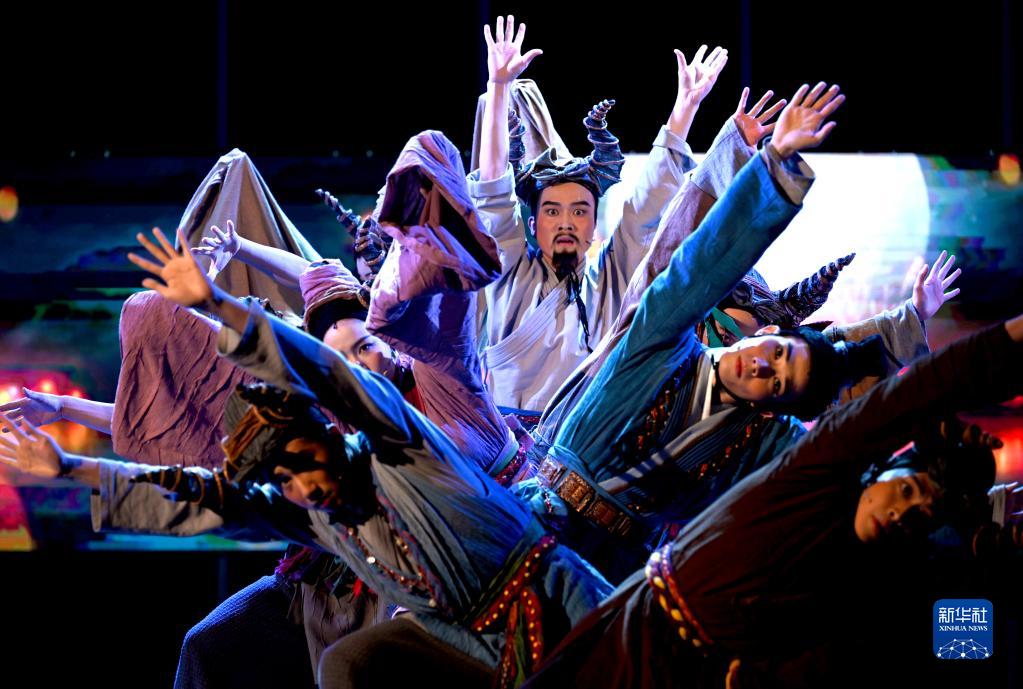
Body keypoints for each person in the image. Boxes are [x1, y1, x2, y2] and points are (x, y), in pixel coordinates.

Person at [519, 313, 1023, 689]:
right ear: (883, 466)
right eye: (907, 491)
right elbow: (910, 399)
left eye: (917, 518)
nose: (898, 512)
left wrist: (984, 540)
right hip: (633, 637)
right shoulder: (808, 476)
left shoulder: (864, 580)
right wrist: (1010, 339)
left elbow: (944, 636)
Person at [470, 16, 728, 412]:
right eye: (552, 211)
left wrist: (686, 107)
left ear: (594, 225)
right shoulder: (511, 277)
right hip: (511, 439)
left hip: (589, 438)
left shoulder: (611, 276)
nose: (566, 222)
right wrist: (499, 86)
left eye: (579, 211)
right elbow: (493, 194)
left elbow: (647, 205)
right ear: (533, 224)